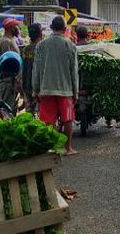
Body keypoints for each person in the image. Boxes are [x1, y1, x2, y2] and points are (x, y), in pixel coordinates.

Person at [33, 16, 78, 155]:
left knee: (49, 120)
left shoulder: (41, 45)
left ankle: (52, 148)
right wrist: (75, 92)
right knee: (68, 119)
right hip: (65, 90)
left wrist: (35, 90)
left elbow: (37, 70)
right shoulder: (70, 45)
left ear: (51, 28)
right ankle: (67, 148)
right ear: (65, 29)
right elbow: (74, 71)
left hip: (46, 89)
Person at [0, 17, 23, 113]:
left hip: (12, 81)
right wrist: (17, 80)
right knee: (8, 108)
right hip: (9, 81)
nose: (18, 29)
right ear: (11, 28)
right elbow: (9, 62)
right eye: (16, 26)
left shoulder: (11, 40)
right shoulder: (6, 42)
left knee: (13, 107)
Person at [21, 23, 43, 114]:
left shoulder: (25, 49)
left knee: (29, 112)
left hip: (26, 84)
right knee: (39, 113)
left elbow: (23, 67)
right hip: (38, 86)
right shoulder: (41, 49)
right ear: (40, 35)